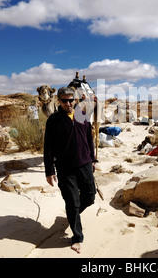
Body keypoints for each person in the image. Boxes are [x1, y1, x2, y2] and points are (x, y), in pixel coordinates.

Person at [43, 86, 98, 254]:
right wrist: (49, 170)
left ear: (75, 100)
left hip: (85, 165)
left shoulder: (82, 115)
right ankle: (77, 237)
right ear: (58, 101)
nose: (68, 103)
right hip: (65, 168)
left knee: (89, 197)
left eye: (71, 100)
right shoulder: (53, 120)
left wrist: (93, 159)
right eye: (65, 100)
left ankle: (72, 213)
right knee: (72, 202)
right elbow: (48, 148)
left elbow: (89, 139)